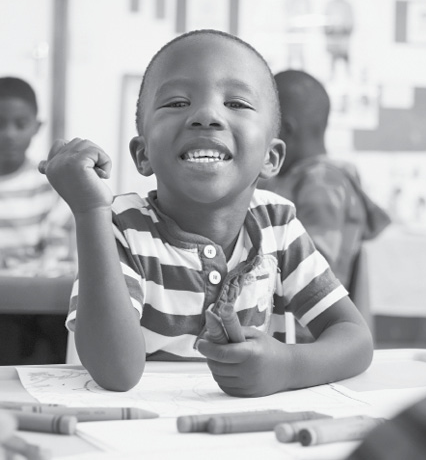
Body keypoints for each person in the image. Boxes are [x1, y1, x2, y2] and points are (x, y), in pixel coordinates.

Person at [39, 29, 373, 396]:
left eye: (237, 103)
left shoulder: (278, 225)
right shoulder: (121, 227)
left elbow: (356, 340)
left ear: (271, 157)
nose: (207, 115)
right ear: (143, 153)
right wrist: (89, 212)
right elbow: (115, 374)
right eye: (178, 102)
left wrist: (288, 367)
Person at [259, 69, 390, 292]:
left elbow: (311, 270)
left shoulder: (322, 183)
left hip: (305, 320)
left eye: (263, 127)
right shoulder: (297, 177)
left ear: (284, 131)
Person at [0, 76, 74, 364]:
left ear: (36, 127)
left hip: (30, 309)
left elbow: (56, 260)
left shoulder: (48, 187)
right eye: (0, 123)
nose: (8, 134)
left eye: (20, 124)